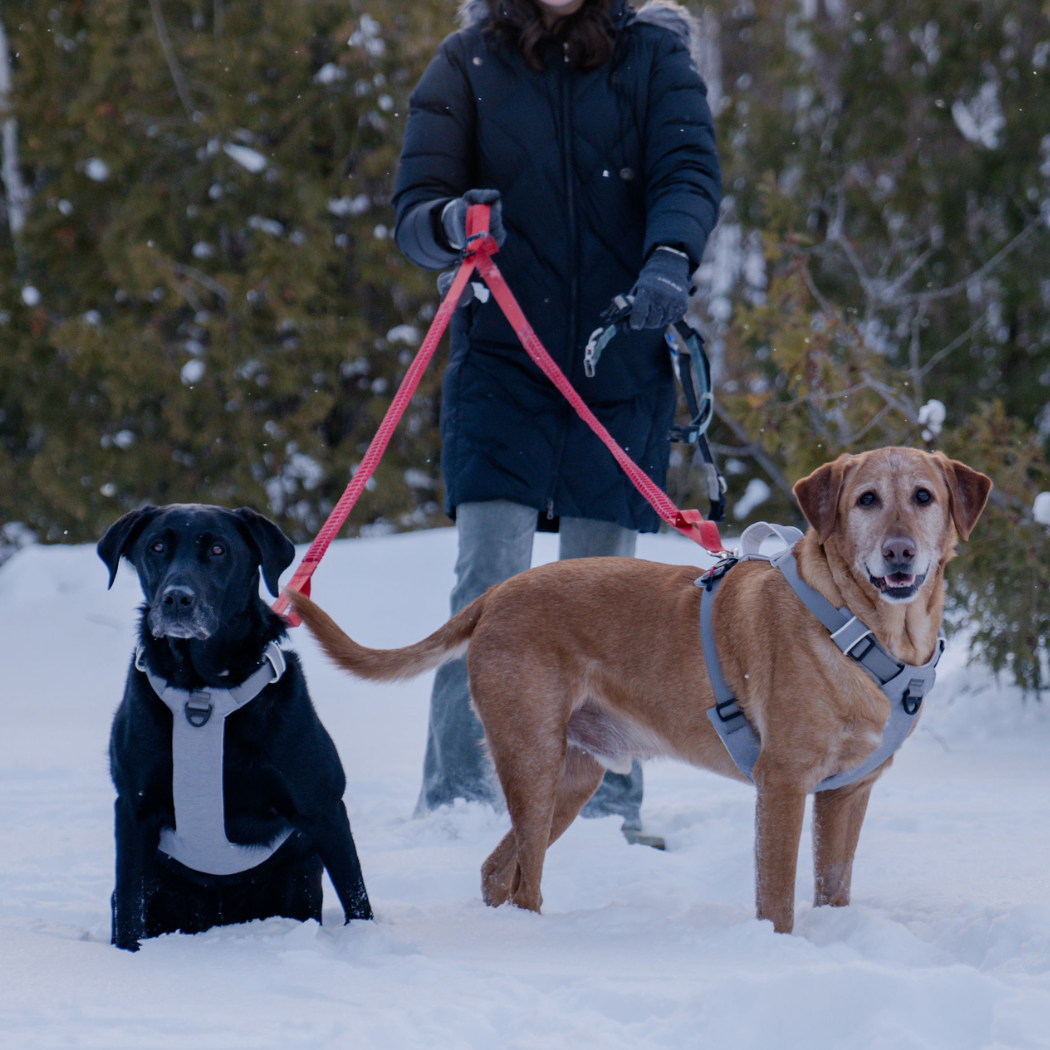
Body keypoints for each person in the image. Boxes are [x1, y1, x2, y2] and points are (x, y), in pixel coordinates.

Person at [392, 0, 721, 842]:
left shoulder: (653, 57)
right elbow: (415, 205)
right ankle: (461, 801)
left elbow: (688, 172)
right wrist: (448, 223)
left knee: (609, 599)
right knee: (488, 589)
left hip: (621, 360)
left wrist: (669, 256)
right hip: (502, 364)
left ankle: (606, 807)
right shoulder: (467, 60)